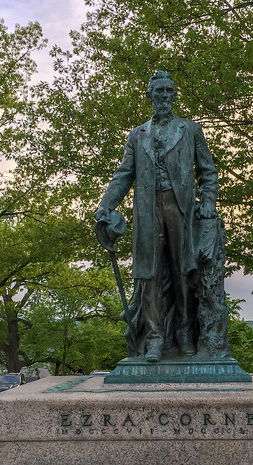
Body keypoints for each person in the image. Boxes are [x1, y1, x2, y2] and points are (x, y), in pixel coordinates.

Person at [96, 70, 218, 363]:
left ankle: (185, 334)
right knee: (148, 278)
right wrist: (105, 205)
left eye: (169, 91)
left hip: (181, 210)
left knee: (184, 273)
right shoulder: (137, 135)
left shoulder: (190, 130)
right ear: (149, 96)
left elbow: (207, 172)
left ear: (174, 95)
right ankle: (153, 340)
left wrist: (208, 203)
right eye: (159, 91)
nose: (164, 95)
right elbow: (124, 174)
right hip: (147, 213)